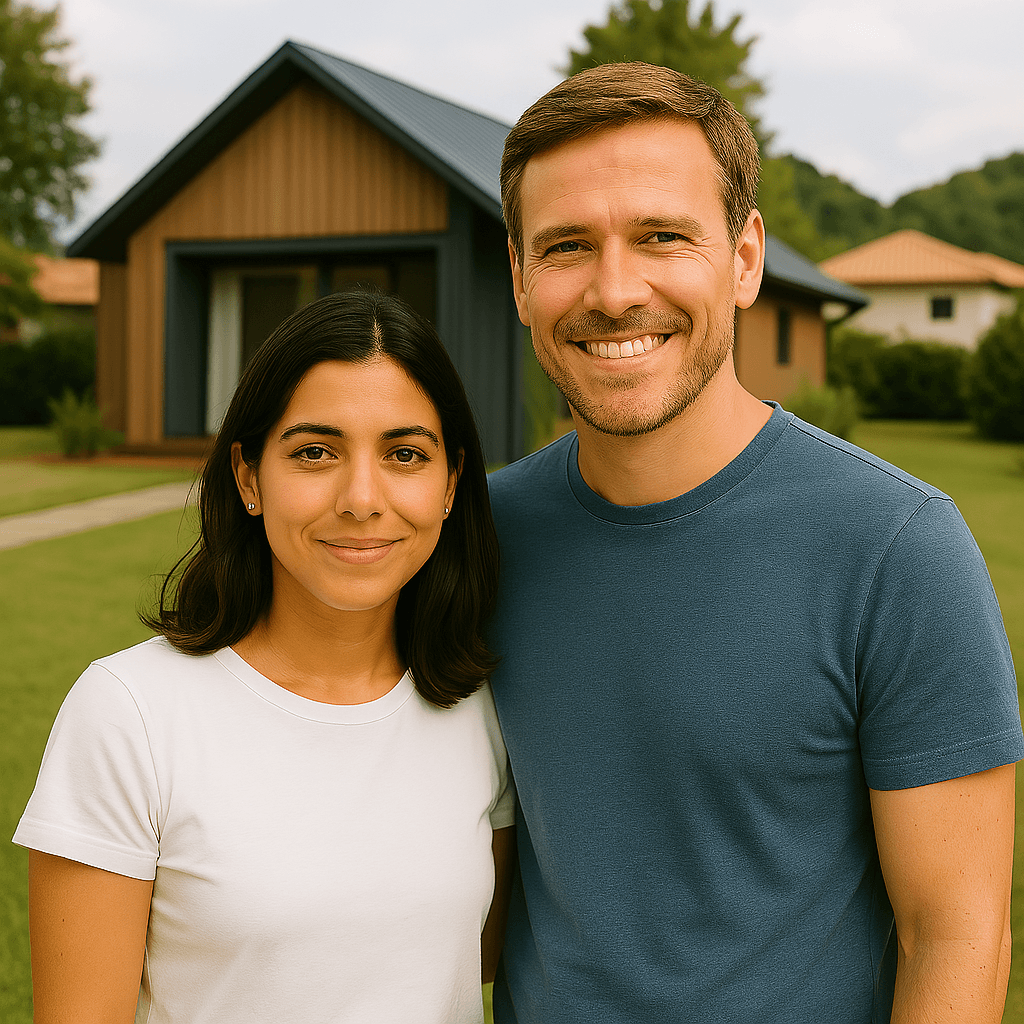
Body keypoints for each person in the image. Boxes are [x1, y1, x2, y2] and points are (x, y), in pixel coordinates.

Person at [486, 62, 1023, 1023]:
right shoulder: (475, 537)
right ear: (520, 278)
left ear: (744, 260)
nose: (614, 292)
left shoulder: (899, 548)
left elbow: (955, 936)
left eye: (661, 236)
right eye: (567, 246)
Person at [14, 290, 515, 1024]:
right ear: (249, 477)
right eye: (316, 452)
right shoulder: (130, 713)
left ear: (450, 484)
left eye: (405, 454)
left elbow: (474, 963)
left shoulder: (480, 707)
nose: (362, 497)